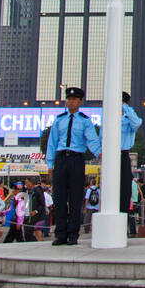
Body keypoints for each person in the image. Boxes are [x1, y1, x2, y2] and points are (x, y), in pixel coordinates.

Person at [45, 87, 102, 246]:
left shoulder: (84, 121)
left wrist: (99, 153)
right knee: (59, 198)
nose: (71, 102)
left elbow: (92, 140)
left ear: (79, 102)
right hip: (61, 158)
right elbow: (52, 142)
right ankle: (60, 233)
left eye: (74, 99)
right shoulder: (59, 120)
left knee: (76, 198)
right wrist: (50, 163)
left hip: (76, 159)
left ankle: (73, 233)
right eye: (68, 99)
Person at [120, 92, 142, 221]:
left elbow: (137, 123)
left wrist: (125, 107)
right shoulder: (109, 114)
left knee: (124, 189)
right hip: (110, 154)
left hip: (123, 154)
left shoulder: (129, 115)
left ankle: (123, 218)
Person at [25, 175, 48, 241]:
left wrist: (36, 211)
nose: (25, 185)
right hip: (29, 216)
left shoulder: (37, 191)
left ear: (31, 183)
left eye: (26, 183)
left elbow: (42, 204)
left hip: (37, 216)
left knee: (36, 231)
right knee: (31, 232)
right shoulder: (28, 192)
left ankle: (38, 243)